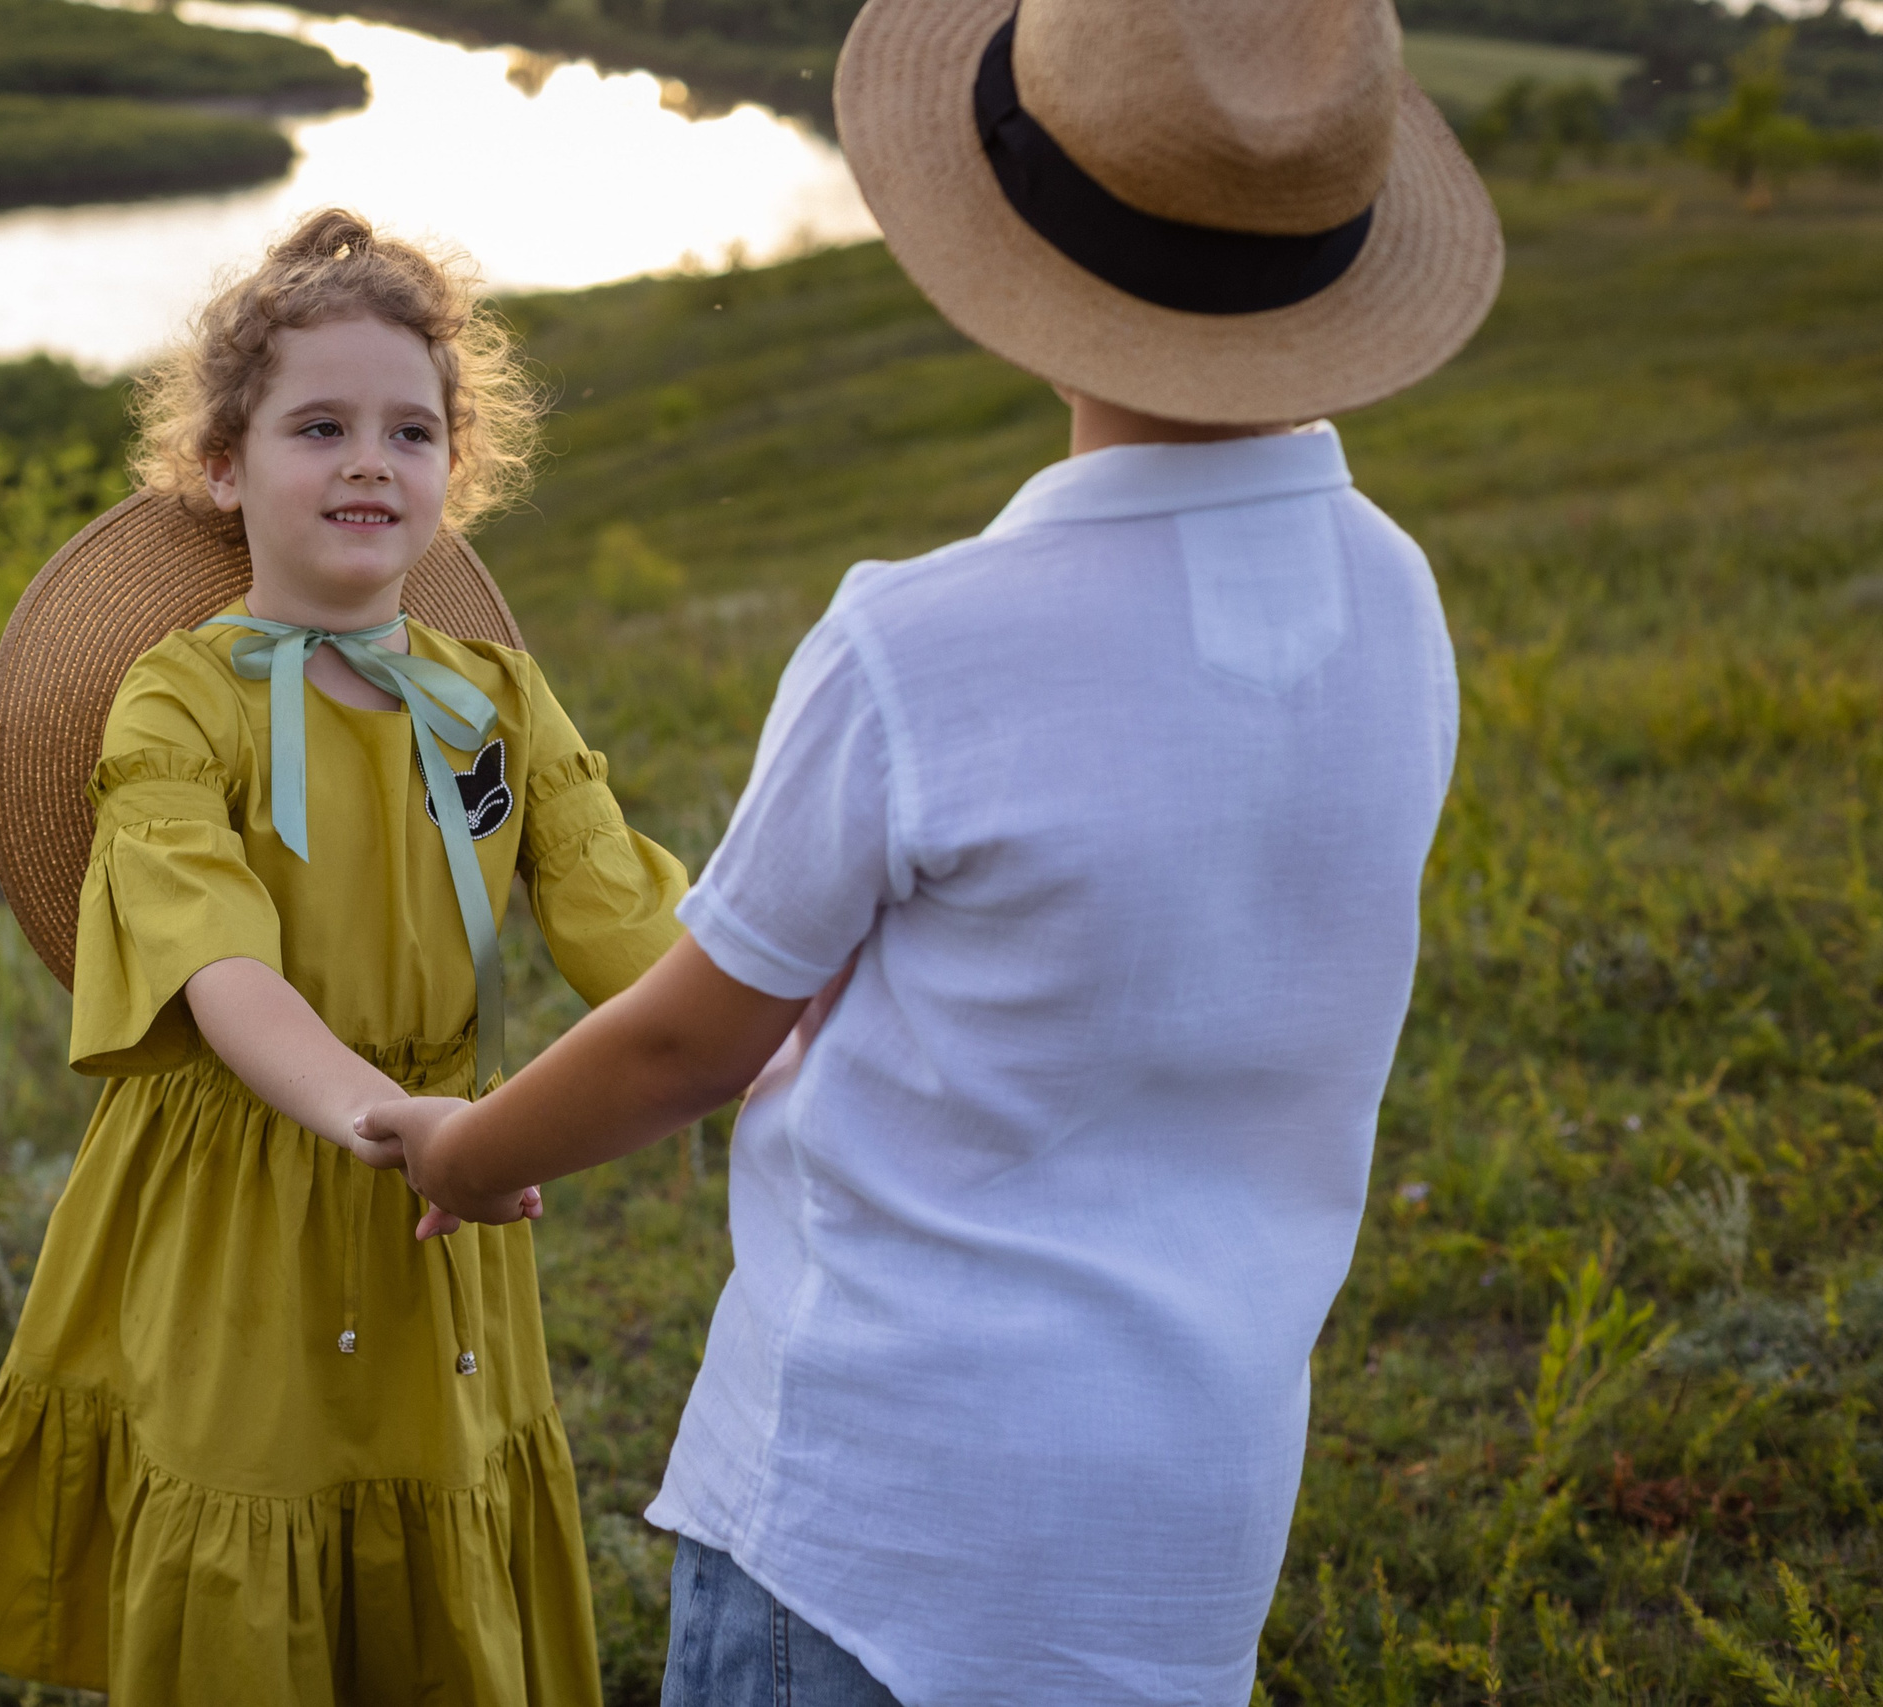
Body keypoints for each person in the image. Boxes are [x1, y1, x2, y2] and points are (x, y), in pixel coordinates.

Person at [352, 0, 1506, 1701]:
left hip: (872, 1526)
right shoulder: (1399, 599)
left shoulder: (922, 645)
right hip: (1184, 1529)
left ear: (1025, 266)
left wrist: (466, 1153)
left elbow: (689, 1037)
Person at [0, 208, 688, 1702]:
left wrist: (803, 1034)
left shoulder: (496, 695)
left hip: (448, 1173)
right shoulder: (179, 705)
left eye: (412, 429)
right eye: (321, 427)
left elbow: (628, 917)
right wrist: (387, 1119)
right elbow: (216, 964)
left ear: (460, 470)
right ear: (223, 466)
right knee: (258, 1512)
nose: (372, 460)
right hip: (250, 1179)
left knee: (427, 1504)